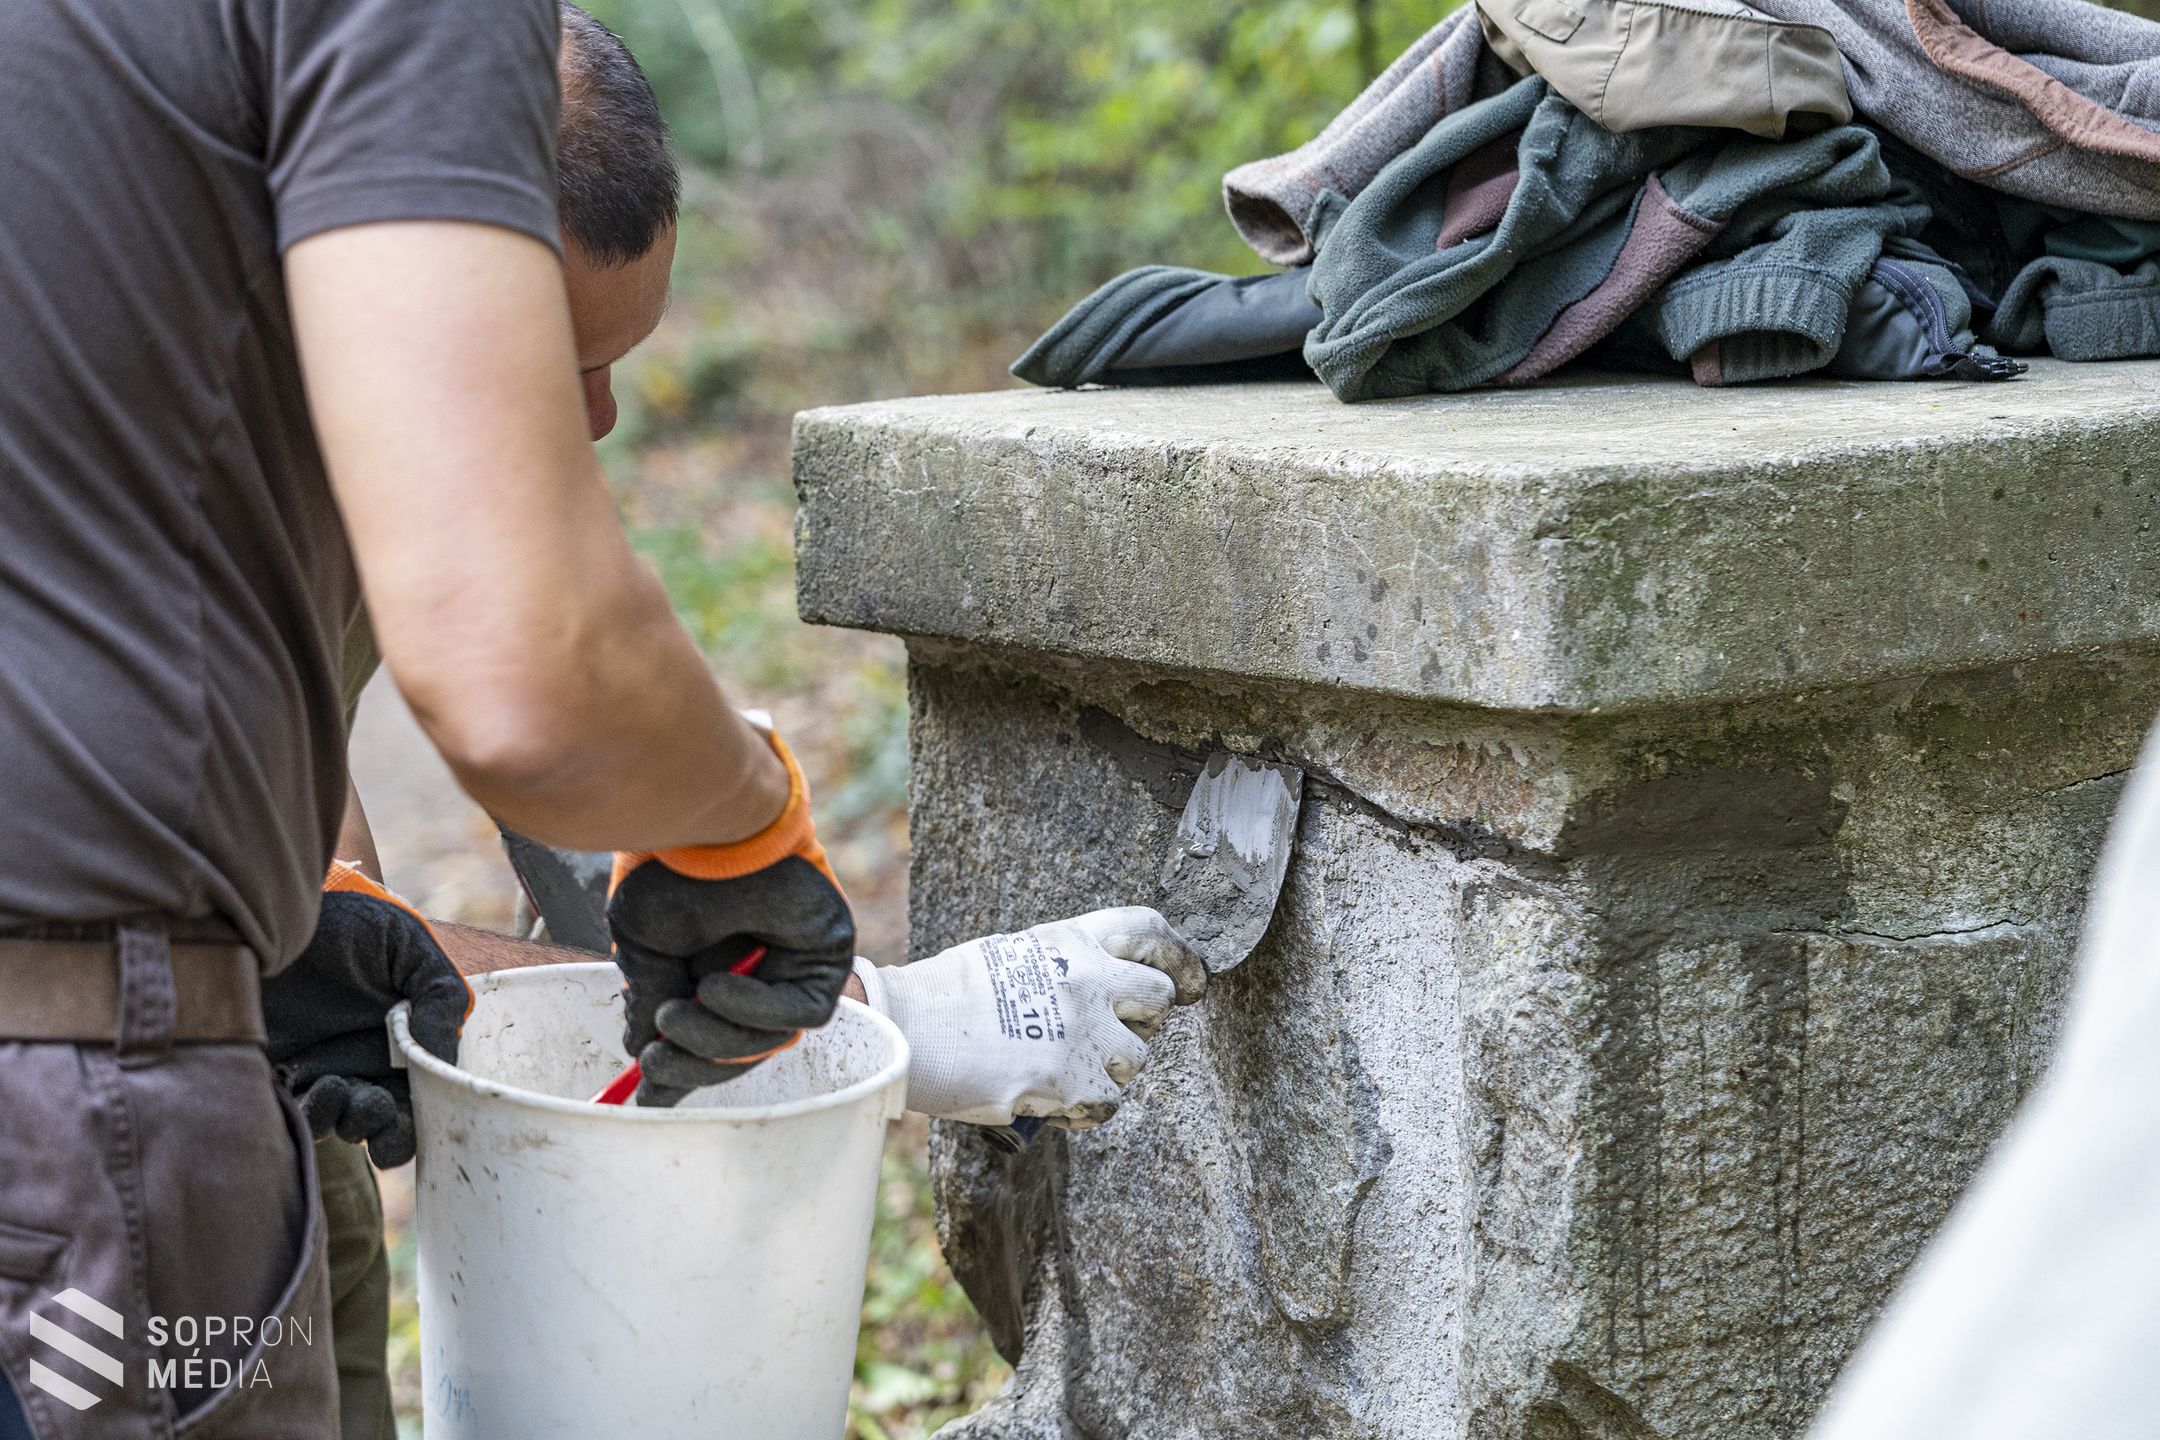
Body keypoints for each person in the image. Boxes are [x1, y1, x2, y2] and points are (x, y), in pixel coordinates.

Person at [0, 4, 1195, 1439]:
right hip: (69, 1134)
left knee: (306, 1147)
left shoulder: (129, 199)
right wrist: (765, 852)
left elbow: (260, 754)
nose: (601, 418)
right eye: (553, 358)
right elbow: (531, 680)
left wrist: (318, 912)